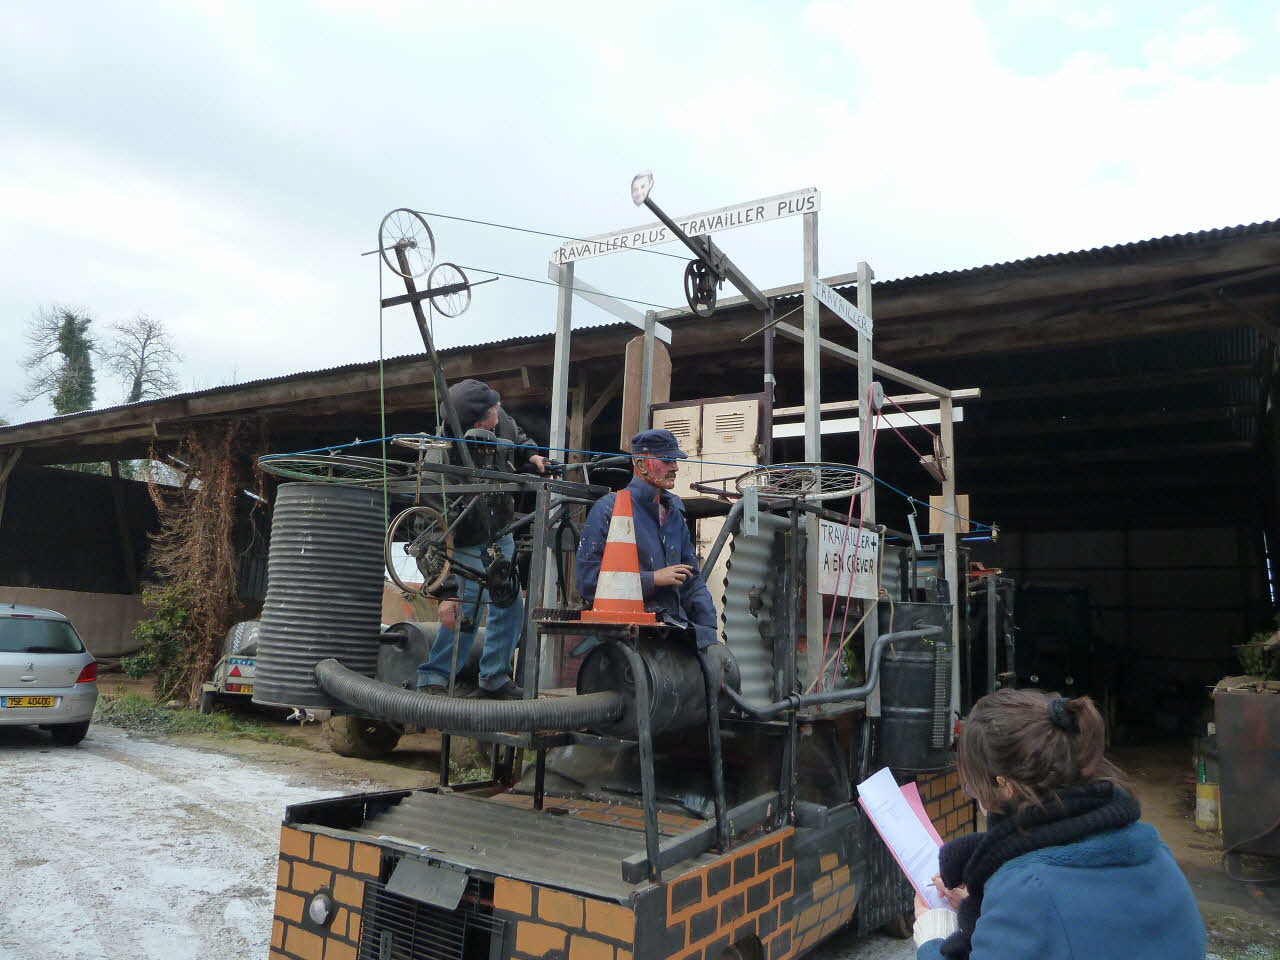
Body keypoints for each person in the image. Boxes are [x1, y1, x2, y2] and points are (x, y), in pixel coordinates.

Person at [913, 687, 1206, 959]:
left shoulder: (1029, 889)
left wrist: (932, 940)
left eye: (973, 787)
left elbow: (1047, 911)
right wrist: (985, 909)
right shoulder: (1153, 849)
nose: (975, 796)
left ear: (1005, 785)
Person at [416, 378, 547, 699]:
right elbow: (427, 535)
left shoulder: (501, 422)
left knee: (509, 602)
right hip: (460, 539)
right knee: (464, 608)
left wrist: (531, 455)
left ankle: (494, 677)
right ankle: (434, 678)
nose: (500, 411)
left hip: (498, 530)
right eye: (493, 409)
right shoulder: (439, 463)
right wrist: (444, 591)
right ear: (476, 424)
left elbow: (518, 435)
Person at [575, 428, 718, 649]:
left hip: (672, 631)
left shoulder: (674, 513)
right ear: (641, 464)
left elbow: (691, 580)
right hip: (625, 637)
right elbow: (589, 583)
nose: (675, 467)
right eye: (667, 460)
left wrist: (708, 630)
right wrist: (653, 579)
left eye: (675, 461)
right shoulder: (609, 509)